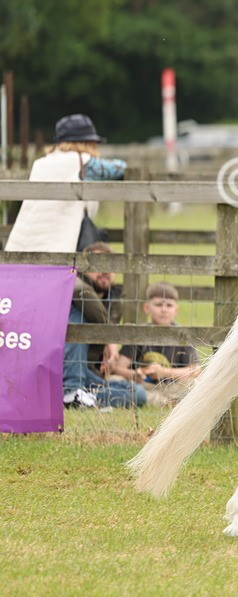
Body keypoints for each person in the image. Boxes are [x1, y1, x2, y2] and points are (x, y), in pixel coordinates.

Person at [4, 114, 127, 252]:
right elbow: (121, 168)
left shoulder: (40, 163)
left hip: (19, 247)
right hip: (52, 251)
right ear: (85, 142)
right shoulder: (81, 162)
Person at [63, 243, 147, 410]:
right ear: (83, 268)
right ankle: (71, 391)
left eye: (111, 266)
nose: (106, 271)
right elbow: (82, 293)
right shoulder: (73, 285)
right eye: (99, 265)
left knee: (138, 394)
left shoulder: (114, 304)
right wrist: (111, 338)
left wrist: (108, 361)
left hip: (88, 373)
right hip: (61, 368)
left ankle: (81, 397)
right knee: (79, 315)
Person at [109, 282, 200, 407]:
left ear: (176, 310)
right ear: (147, 308)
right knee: (114, 381)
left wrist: (164, 372)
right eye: (158, 305)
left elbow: (195, 370)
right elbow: (118, 367)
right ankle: (166, 402)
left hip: (172, 387)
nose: (164, 310)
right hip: (144, 387)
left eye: (169, 305)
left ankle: (159, 401)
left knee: (195, 383)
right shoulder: (138, 333)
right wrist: (135, 374)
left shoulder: (182, 335)